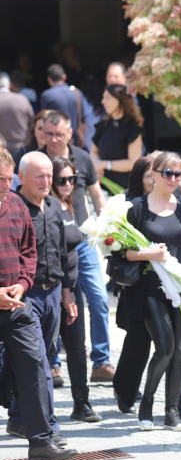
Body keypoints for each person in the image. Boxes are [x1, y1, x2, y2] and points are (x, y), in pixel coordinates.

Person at [0, 149, 77, 460]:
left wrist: (22, 283)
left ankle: (41, 441)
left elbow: (29, 252)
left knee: (36, 364)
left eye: (8, 179)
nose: (5, 185)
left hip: (17, 305)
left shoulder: (16, 205)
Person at [124, 152, 181, 431]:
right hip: (151, 286)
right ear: (154, 175)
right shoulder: (137, 207)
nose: (173, 179)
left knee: (180, 349)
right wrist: (148, 254)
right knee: (165, 346)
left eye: (178, 174)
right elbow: (124, 253)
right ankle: (147, 402)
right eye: (168, 173)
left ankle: (171, 410)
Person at [37, 110, 114, 383]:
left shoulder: (82, 157)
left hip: (83, 241)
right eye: (49, 134)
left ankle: (102, 362)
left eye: (59, 134)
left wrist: (107, 226)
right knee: (55, 304)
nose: (54, 139)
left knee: (99, 300)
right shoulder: (39, 160)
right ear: (42, 133)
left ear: (70, 133)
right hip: (51, 246)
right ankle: (54, 362)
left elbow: (96, 193)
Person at [48, 156, 94, 422]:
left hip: (71, 288)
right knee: (46, 349)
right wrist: (65, 292)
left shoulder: (69, 204)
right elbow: (58, 253)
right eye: (61, 180)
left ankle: (82, 402)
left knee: (77, 346)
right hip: (58, 289)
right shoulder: (51, 207)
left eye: (72, 179)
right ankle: (30, 413)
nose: (67, 184)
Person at [111, 155, 157, 414]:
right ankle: (125, 388)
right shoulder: (130, 206)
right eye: (149, 175)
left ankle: (178, 396)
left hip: (164, 282)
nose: (154, 180)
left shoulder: (169, 202)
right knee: (138, 339)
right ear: (139, 178)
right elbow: (117, 249)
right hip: (136, 282)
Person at [90, 84, 143, 192]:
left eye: (107, 98)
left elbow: (133, 162)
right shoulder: (104, 125)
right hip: (103, 188)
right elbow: (93, 152)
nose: (103, 101)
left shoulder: (132, 128)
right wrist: (97, 166)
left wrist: (105, 164)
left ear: (119, 100)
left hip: (125, 190)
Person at [39, 65, 88, 148]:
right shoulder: (77, 92)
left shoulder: (47, 95)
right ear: (64, 77)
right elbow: (84, 118)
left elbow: (43, 120)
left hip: (56, 142)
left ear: (49, 79)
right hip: (75, 142)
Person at [0, 72, 34, 151]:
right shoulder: (22, 99)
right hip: (21, 146)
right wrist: (27, 141)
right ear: (10, 85)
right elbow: (33, 123)